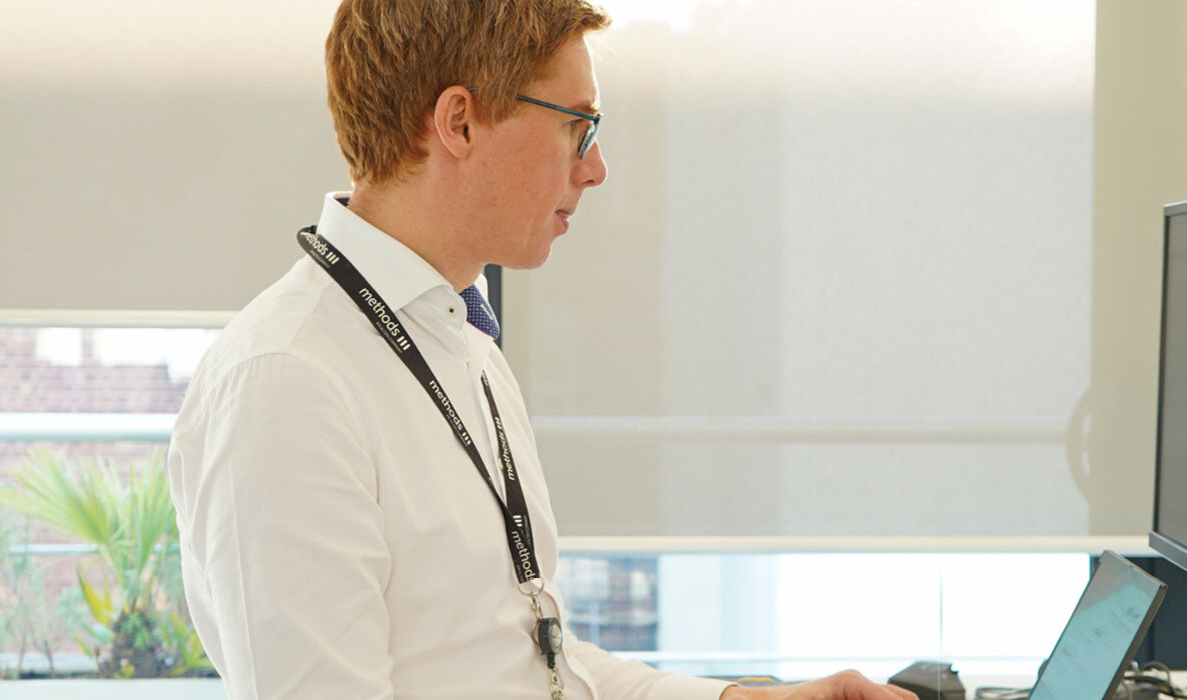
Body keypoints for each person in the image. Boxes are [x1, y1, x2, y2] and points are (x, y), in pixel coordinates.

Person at [165, 2, 921, 699]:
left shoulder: (463, 343)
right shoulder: (289, 381)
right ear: (458, 123)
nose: (594, 168)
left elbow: (533, 656)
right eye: (576, 126)